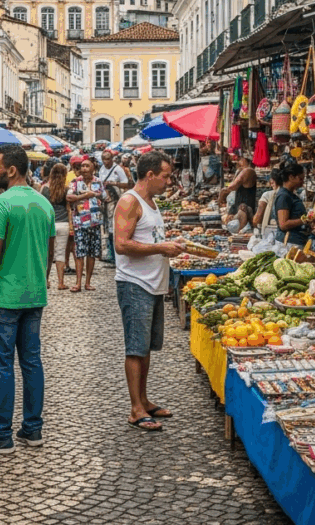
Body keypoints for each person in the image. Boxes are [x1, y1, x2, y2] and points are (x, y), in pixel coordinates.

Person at [0, 145, 55, 454]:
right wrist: (41, 280)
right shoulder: (44, 203)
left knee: (1, 366)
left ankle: (0, 434)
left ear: (12, 170)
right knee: (31, 363)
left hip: (4, 296)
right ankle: (33, 429)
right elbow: (50, 250)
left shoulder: (1, 204)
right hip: (34, 295)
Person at [114, 151, 185, 432]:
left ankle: (143, 399)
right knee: (135, 348)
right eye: (166, 176)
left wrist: (169, 243)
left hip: (152, 284)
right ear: (150, 175)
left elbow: (150, 238)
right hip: (135, 284)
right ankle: (135, 409)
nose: (169, 181)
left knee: (146, 348)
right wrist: (161, 248)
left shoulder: (150, 202)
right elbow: (121, 244)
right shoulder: (129, 201)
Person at [67, 159, 104, 292]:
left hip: (94, 221)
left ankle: (88, 282)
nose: (84, 168)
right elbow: (69, 197)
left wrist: (93, 194)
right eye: (82, 166)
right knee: (79, 252)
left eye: (87, 166)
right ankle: (78, 283)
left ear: (93, 168)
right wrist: (85, 196)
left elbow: (104, 196)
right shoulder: (75, 182)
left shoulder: (98, 182)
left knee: (92, 252)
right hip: (80, 222)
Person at [97, 150, 133, 264]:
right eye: (103, 159)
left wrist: (114, 183)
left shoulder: (118, 169)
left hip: (116, 200)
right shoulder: (101, 169)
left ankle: (115, 255)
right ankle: (110, 253)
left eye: (107, 159)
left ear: (112, 159)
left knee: (114, 226)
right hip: (105, 201)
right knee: (107, 226)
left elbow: (127, 184)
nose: (105, 162)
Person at [41, 163, 71, 290]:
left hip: (49, 223)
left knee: (47, 253)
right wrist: (71, 225)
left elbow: (41, 208)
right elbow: (68, 209)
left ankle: (46, 280)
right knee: (60, 254)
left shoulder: (44, 189)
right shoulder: (66, 189)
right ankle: (60, 282)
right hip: (63, 223)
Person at [275, 163, 310, 251]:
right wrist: (304, 220)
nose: (302, 182)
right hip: (289, 244)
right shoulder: (284, 196)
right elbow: (283, 224)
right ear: (291, 177)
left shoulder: (290, 195)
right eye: (300, 179)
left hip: (295, 242)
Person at [220, 153, 257, 233]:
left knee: (240, 229)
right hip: (240, 205)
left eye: (240, 159)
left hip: (245, 208)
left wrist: (221, 195)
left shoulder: (248, 171)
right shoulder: (242, 171)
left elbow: (232, 186)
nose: (237, 161)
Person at [252, 169, 284, 247]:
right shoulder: (292, 195)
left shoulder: (267, 195)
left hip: (269, 235)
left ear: (272, 181)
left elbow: (257, 218)